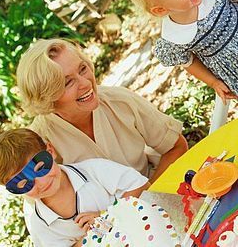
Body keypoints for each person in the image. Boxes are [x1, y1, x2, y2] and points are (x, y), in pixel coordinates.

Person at [17, 38, 188, 183]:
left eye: (83, 69)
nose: (86, 83)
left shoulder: (121, 101)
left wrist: (147, 198)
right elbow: (45, 201)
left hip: (151, 189)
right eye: (68, 82)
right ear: (46, 98)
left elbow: (176, 146)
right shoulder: (38, 142)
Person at [0, 128, 150, 247]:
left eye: (40, 168)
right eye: (23, 184)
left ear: (50, 151)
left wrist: (108, 217)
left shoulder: (94, 170)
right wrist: (92, 237)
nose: (41, 183)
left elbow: (142, 186)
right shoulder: (40, 224)